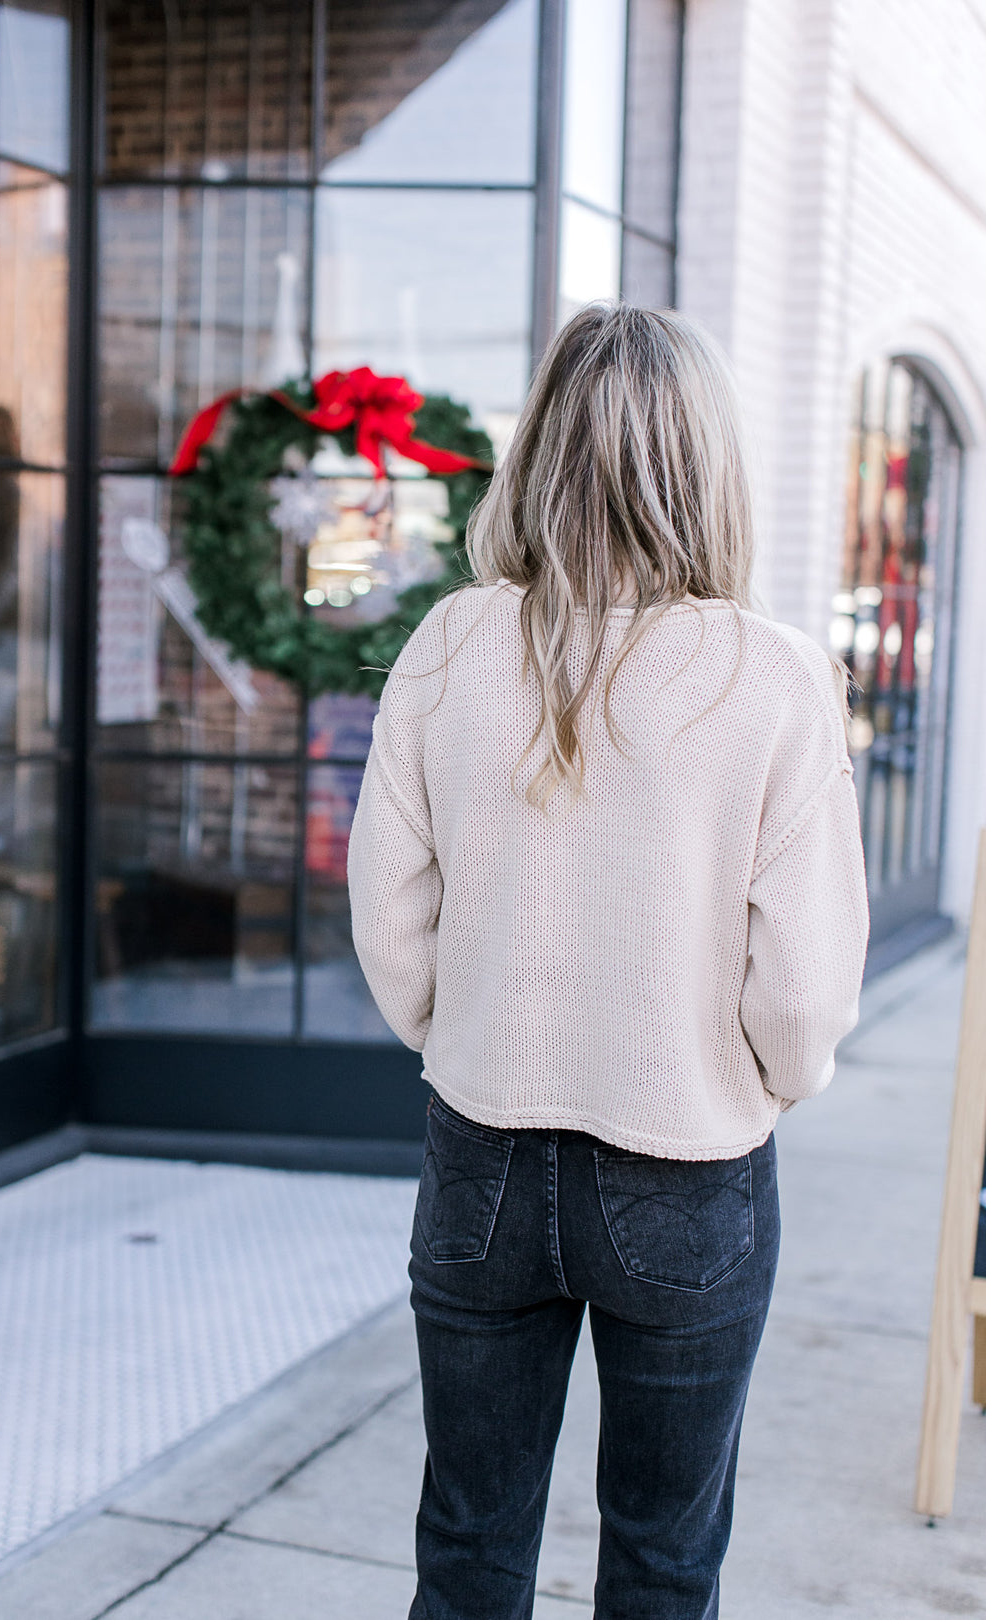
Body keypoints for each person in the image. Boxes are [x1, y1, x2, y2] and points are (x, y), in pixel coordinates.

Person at [347, 302, 869, 1620]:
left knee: (468, 1548)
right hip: (689, 1169)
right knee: (662, 1560)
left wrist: (453, 1029)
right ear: (707, 464)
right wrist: (759, 1078)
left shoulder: (452, 645)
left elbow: (387, 914)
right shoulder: (773, 675)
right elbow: (805, 985)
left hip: (482, 1156)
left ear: (543, 451)